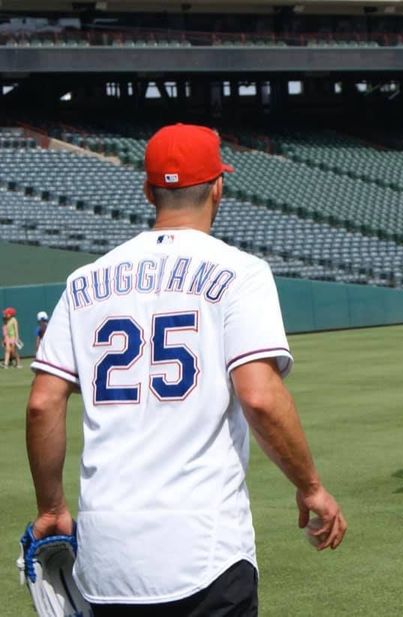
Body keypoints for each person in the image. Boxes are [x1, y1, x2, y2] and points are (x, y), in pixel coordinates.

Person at [25, 123, 346, 615]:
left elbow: (44, 403)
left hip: (106, 556)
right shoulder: (241, 272)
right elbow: (258, 395)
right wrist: (311, 487)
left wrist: (51, 508)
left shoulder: (84, 280)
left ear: (148, 190)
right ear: (219, 186)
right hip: (204, 551)